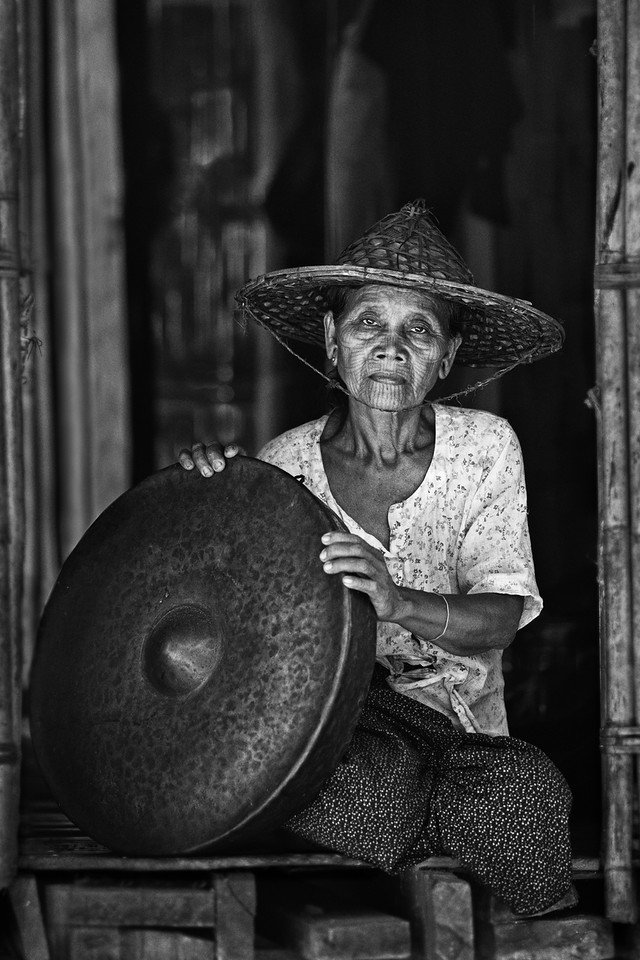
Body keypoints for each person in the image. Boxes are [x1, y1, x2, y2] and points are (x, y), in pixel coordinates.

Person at [179, 201, 573, 915]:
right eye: (368, 324)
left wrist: (400, 604)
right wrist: (211, 497)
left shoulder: (485, 448)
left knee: (532, 792)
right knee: (355, 786)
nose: (392, 348)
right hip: (342, 735)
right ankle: (430, 842)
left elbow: (504, 618)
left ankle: (414, 843)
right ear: (332, 340)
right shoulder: (284, 468)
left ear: (447, 355)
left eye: (418, 330)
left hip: (462, 739)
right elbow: (243, 638)